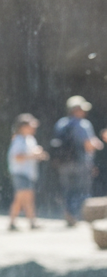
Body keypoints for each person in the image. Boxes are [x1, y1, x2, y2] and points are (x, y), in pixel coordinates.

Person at [51, 95, 103, 225]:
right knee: (82, 190)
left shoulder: (61, 123)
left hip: (64, 164)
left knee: (67, 189)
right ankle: (81, 215)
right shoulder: (83, 124)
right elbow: (88, 145)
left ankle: (69, 213)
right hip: (81, 162)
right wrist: (97, 144)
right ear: (77, 109)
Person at [6, 113, 48, 231]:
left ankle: (17, 221)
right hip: (20, 173)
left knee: (23, 199)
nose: (33, 128)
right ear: (23, 127)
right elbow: (18, 156)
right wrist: (33, 155)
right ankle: (29, 221)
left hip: (28, 173)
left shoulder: (30, 139)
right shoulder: (18, 140)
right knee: (24, 197)